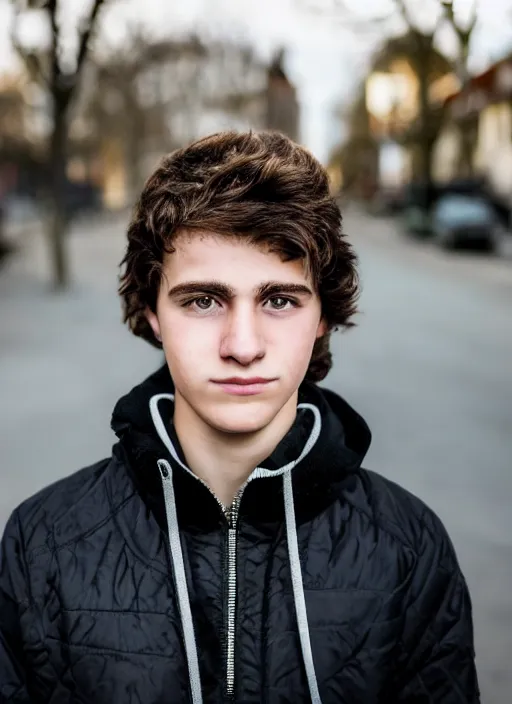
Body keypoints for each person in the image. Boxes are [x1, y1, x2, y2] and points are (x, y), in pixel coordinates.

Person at [0, 131, 479, 703]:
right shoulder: (44, 544)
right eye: (203, 300)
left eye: (279, 300)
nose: (243, 345)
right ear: (153, 311)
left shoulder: (409, 549)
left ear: (322, 315)